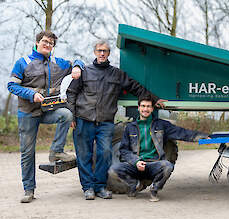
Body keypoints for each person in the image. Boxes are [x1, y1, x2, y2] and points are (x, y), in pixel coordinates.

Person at [67, 39, 166, 200]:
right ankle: (88, 188)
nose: (102, 53)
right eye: (99, 50)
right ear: (95, 52)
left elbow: (136, 87)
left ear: (109, 54)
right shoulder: (85, 72)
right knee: (84, 155)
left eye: (105, 51)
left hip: (105, 122)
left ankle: (99, 187)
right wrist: (71, 115)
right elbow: (71, 93)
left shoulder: (116, 74)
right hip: (84, 119)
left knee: (105, 154)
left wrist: (153, 99)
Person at [8, 30, 84, 203]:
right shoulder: (23, 62)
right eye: (45, 41)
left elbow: (77, 62)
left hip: (48, 110)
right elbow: (11, 85)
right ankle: (29, 190)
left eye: (51, 43)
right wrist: (30, 94)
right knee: (28, 153)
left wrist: (78, 67)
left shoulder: (58, 63)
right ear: (37, 43)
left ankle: (56, 151)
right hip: (28, 112)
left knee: (66, 114)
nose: (47, 45)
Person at [108, 95, 208, 202]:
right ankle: (135, 185)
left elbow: (181, 133)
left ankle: (154, 189)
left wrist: (202, 136)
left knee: (168, 166)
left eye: (148, 106)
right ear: (138, 108)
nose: (145, 109)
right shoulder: (130, 127)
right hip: (136, 165)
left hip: (153, 165)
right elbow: (124, 150)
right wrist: (136, 161)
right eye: (143, 106)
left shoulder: (161, 125)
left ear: (152, 109)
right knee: (113, 170)